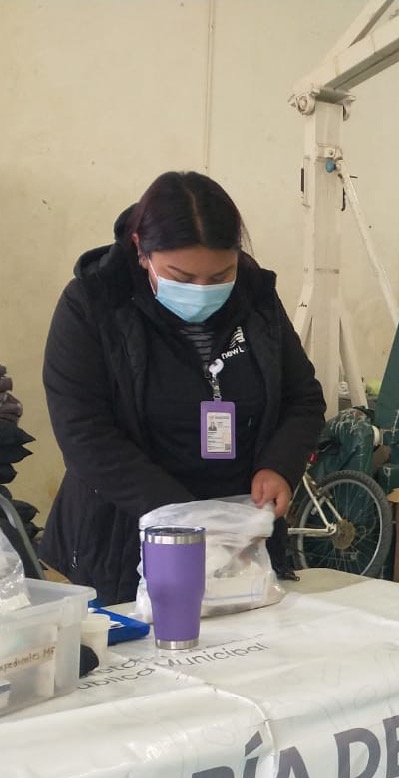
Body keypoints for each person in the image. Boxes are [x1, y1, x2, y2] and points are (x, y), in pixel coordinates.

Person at [41, 171, 325, 604]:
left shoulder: (256, 298)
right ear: (141, 249)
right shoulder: (94, 303)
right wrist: (184, 519)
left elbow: (302, 398)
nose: (202, 290)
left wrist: (279, 466)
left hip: (241, 542)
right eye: (182, 276)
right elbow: (84, 433)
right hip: (123, 542)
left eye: (219, 276)